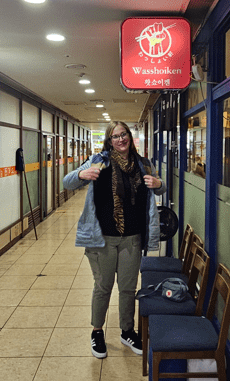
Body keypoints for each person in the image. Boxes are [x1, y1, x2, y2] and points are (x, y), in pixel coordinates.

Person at [63, 121, 166, 359]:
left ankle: (127, 331)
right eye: (115, 136)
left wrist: (159, 184)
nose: (120, 139)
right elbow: (67, 182)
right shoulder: (99, 161)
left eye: (123, 134)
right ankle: (97, 331)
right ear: (109, 141)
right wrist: (81, 174)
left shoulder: (143, 164)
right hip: (103, 238)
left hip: (132, 237)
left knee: (128, 288)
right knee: (103, 286)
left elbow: (159, 188)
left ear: (129, 136)